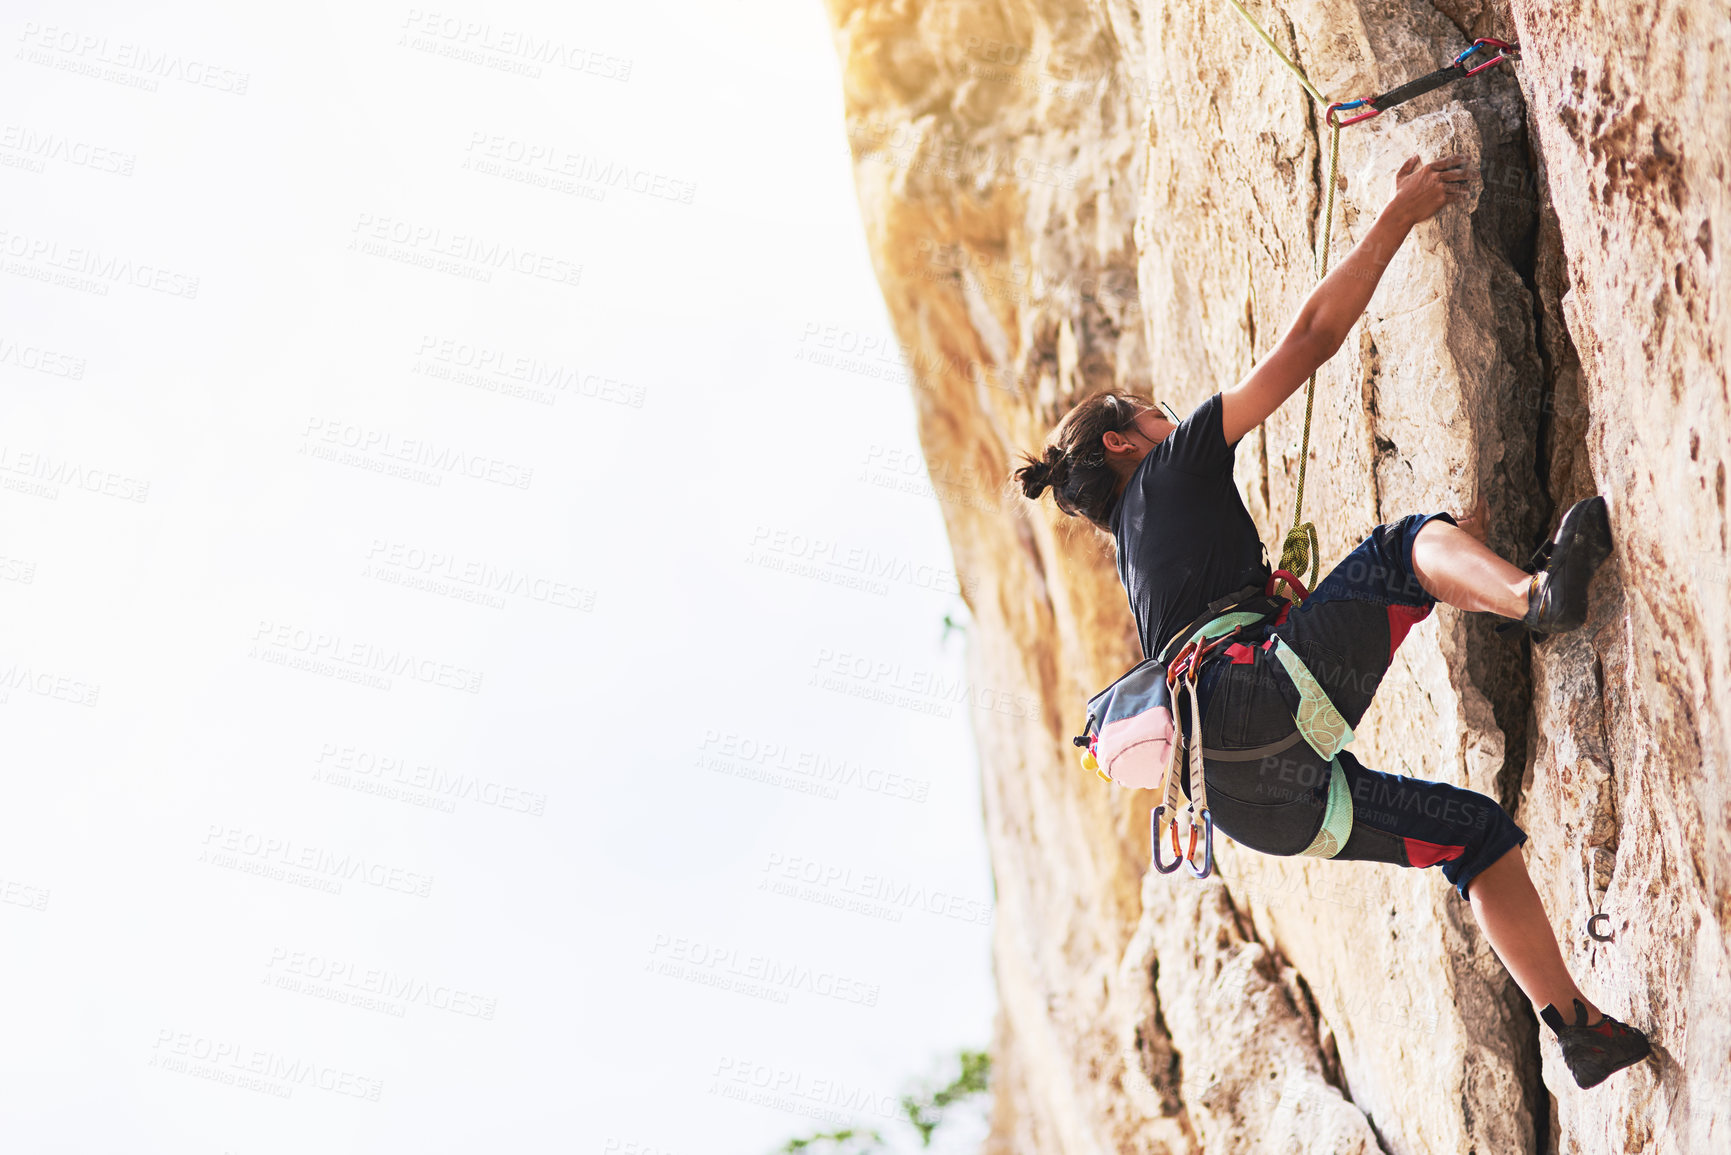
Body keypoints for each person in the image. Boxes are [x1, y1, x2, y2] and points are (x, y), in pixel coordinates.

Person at [1012, 153, 1650, 1089]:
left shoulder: (1144, 571)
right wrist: (1397, 214)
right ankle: (1535, 597)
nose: (1169, 415)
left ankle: (1579, 1028)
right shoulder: (1170, 469)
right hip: (1256, 706)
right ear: (1122, 443)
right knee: (1399, 548)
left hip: (1252, 806)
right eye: (1151, 412)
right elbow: (1310, 336)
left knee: (1469, 834)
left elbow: (1266, 647)